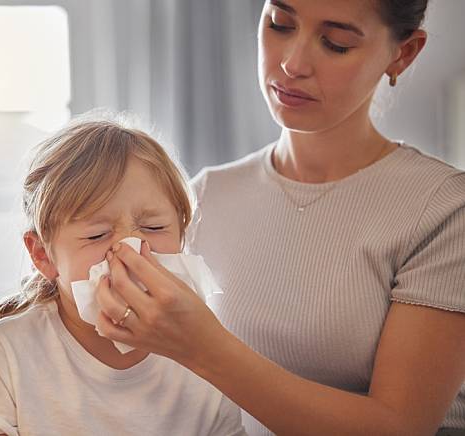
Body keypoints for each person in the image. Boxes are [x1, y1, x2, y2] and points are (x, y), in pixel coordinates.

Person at [94, 1, 465, 435]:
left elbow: (398, 426)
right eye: (279, 24)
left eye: (336, 43)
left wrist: (202, 348)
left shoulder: (443, 209)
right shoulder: (203, 196)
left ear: (403, 54)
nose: (291, 64)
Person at [0, 117, 246, 436]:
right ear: (43, 255)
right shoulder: (7, 352)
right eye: (97, 234)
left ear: (182, 236)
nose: (130, 249)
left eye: (154, 228)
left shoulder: (204, 352)